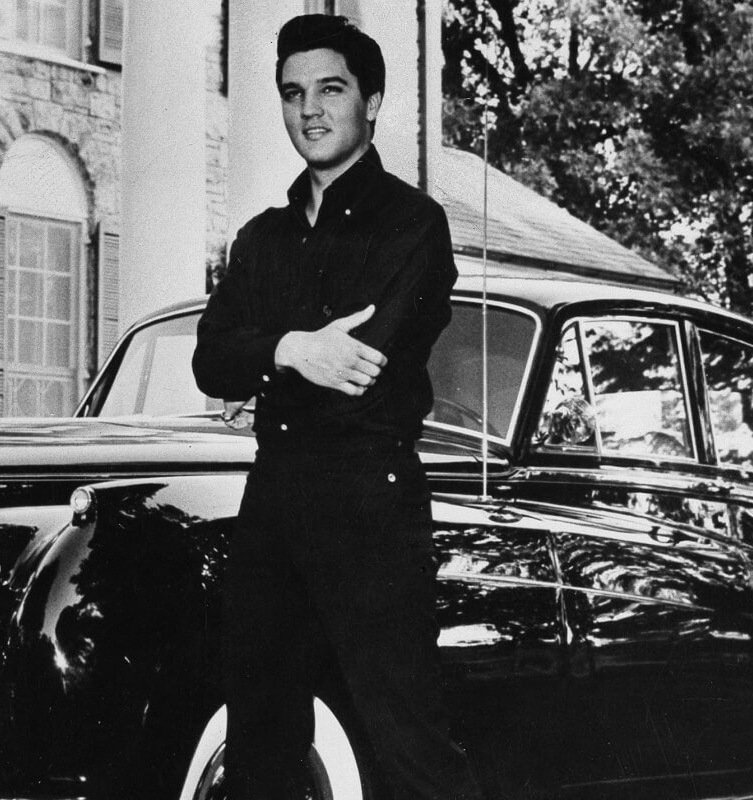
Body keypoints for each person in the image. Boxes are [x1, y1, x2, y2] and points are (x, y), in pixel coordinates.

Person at [192, 14, 484, 800]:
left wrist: (264, 350)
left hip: (369, 498)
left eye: (330, 88)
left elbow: (362, 366)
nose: (308, 110)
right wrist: (292, 348)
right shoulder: (261, 238)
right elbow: (208, 361)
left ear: (374, 99)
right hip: (272, 497)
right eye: (292, 94)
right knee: (260, 740)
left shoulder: (414, 224)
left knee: (405, 735)